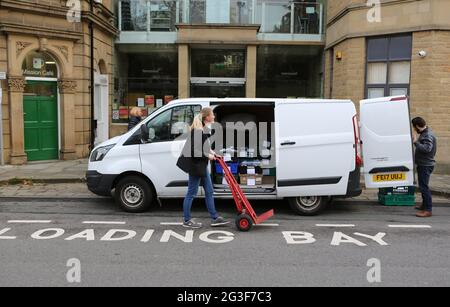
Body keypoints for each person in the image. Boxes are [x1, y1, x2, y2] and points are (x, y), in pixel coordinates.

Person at [176, 107, 230, 228]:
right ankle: (186, 220)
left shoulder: (203, 129)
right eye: (212, 115)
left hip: (201, 166)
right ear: (207, 117)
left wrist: (213, 152)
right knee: (191, 193)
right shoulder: (198, 131)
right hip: (195, 167)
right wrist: (209, 156)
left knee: (209, 192)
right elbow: (195, 151)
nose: (214, 117)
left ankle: (215, 218)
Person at [412, 117, 437, 218]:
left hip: (425, 165)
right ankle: (424, 205)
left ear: (417, 126)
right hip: (424, 164)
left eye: (414, 127)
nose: (414, 129)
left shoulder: (427, 135)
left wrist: (415, 141)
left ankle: (428, 210)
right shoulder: (426, 132)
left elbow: (427, 148)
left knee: (424, 187)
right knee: (423, 186)